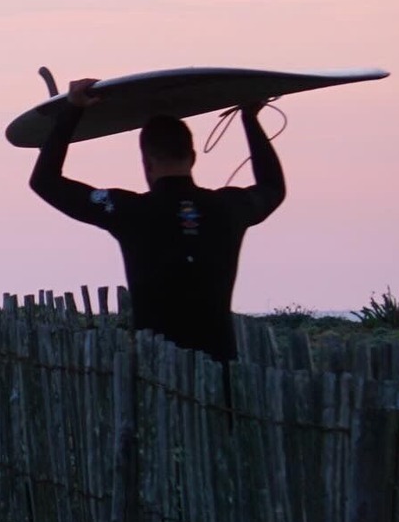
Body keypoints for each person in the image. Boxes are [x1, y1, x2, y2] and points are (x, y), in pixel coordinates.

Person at [28, 78, 286, 365]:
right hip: (221, 369)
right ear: (193, 157)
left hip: (157, 371)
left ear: (146, 163)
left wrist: (72, 110)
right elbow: (273, 187)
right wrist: (249, 118)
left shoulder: (127, 210)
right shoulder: (229, 207)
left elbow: (45, 182)